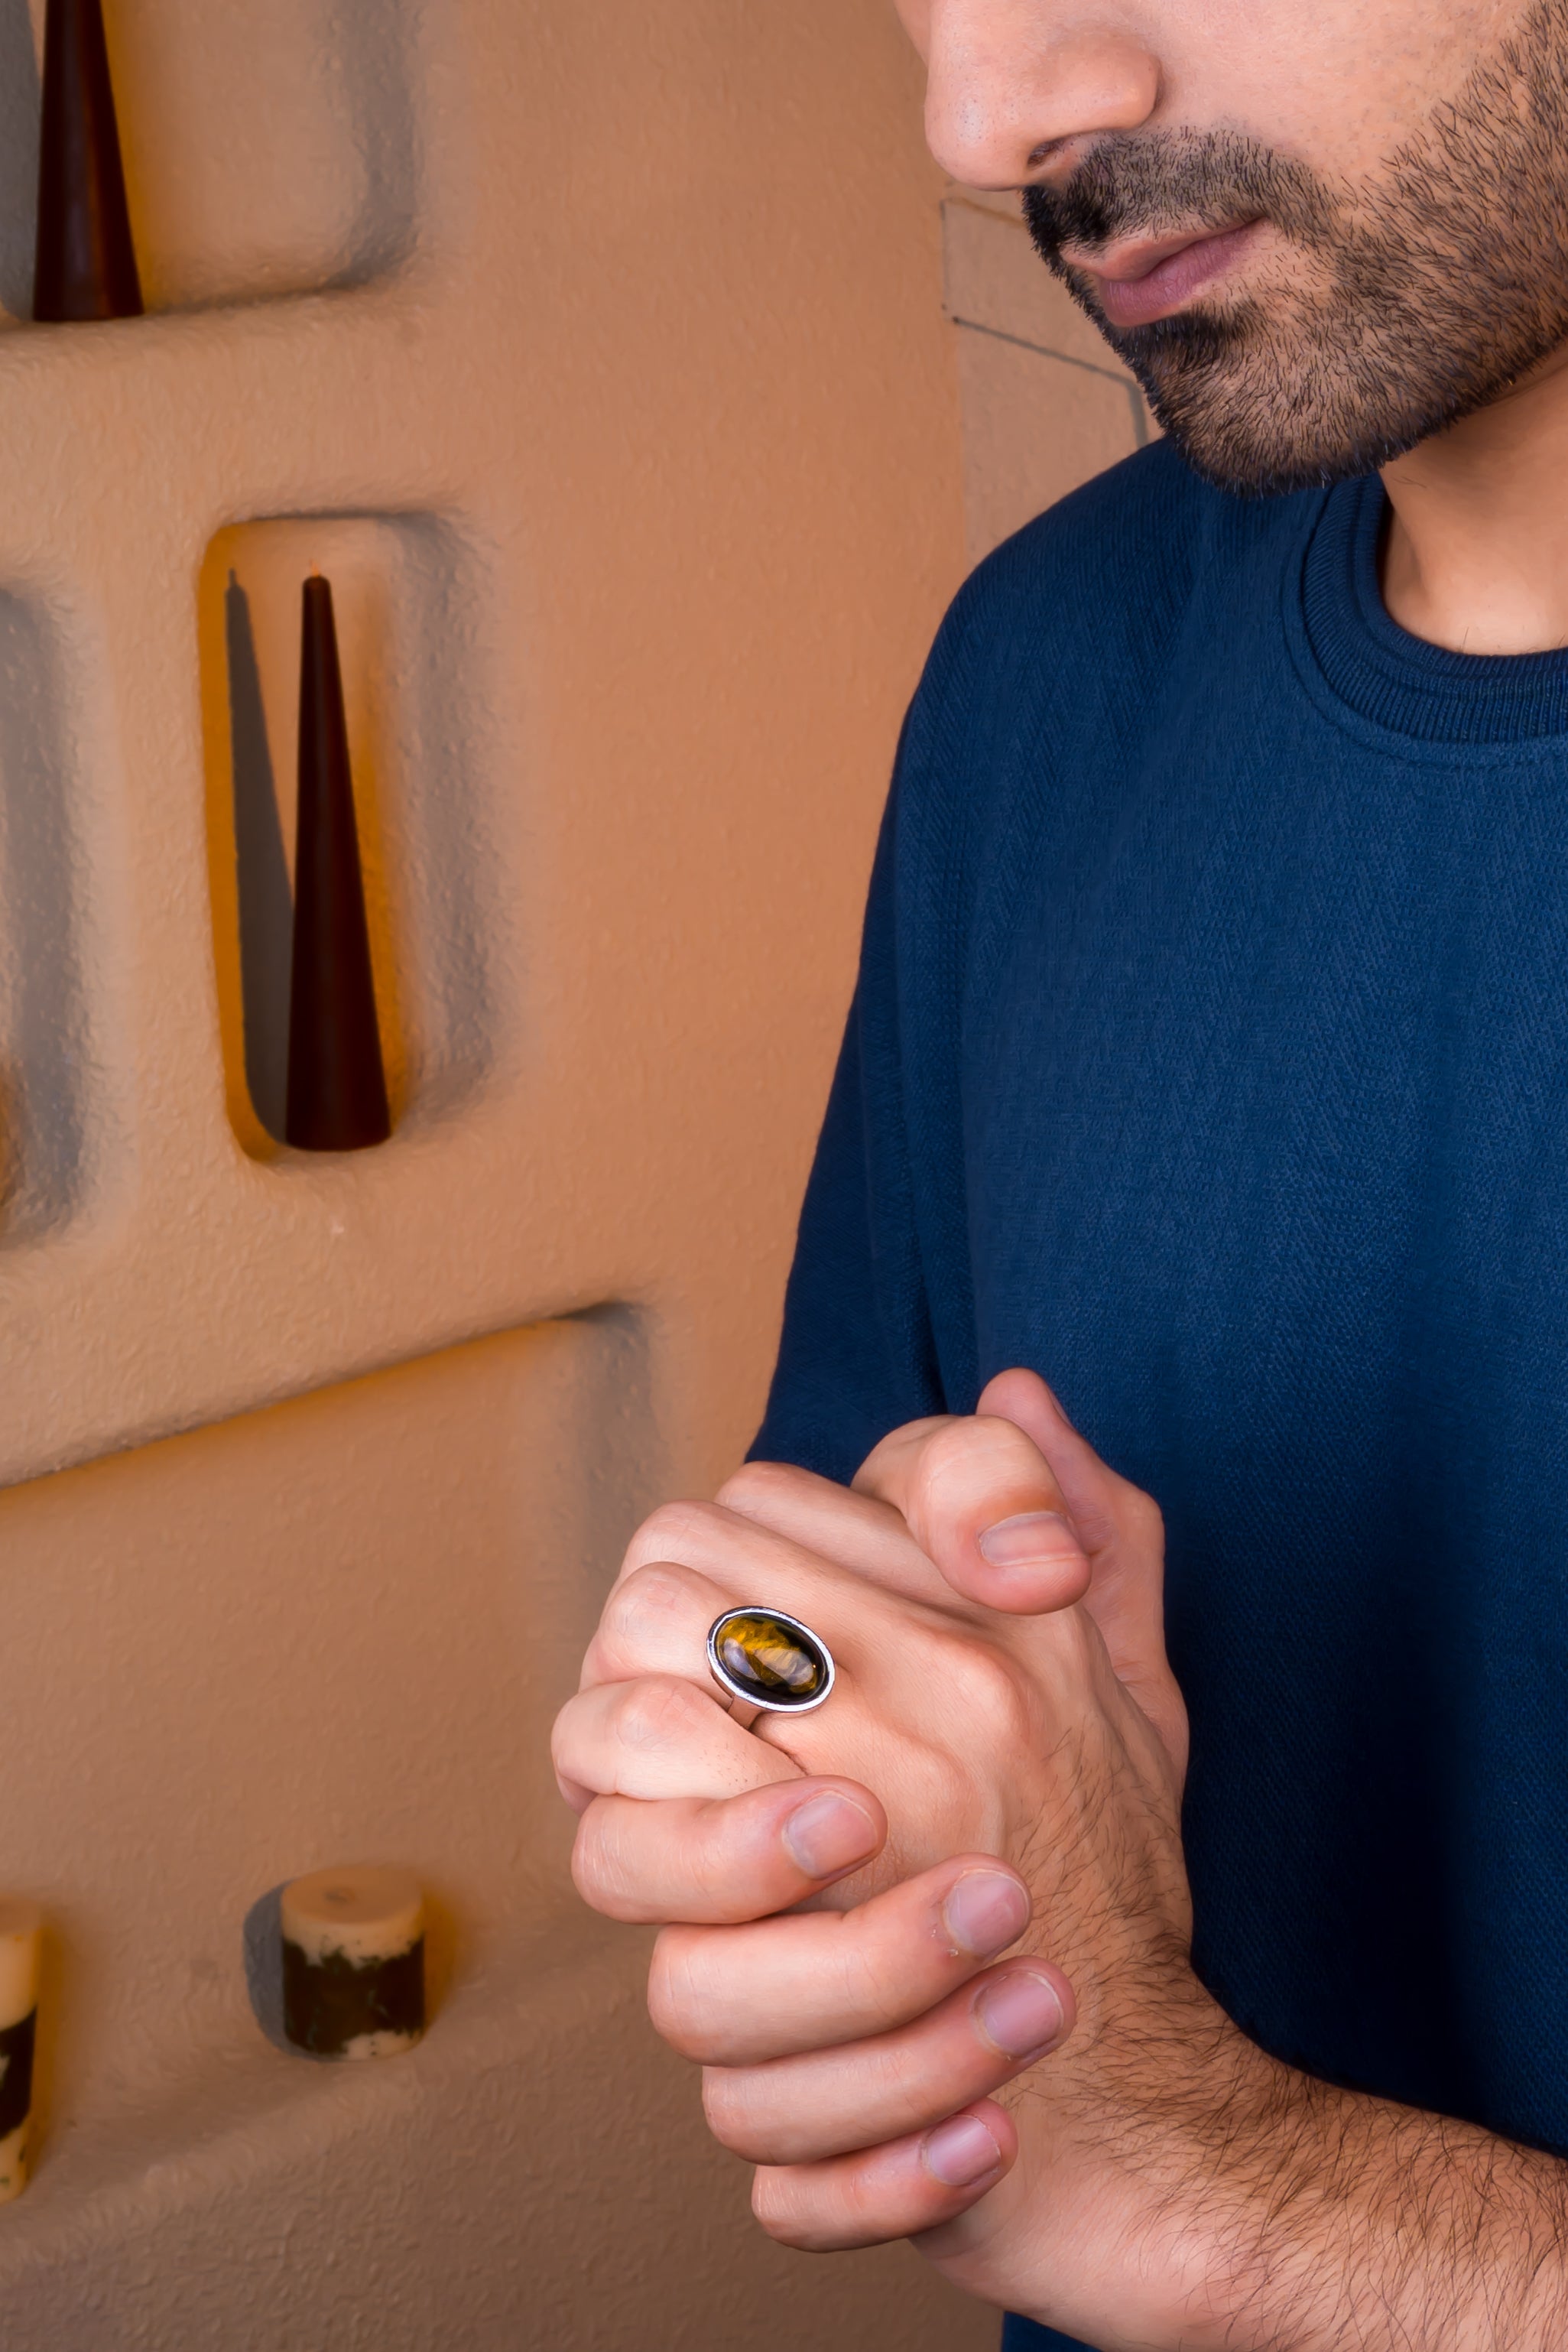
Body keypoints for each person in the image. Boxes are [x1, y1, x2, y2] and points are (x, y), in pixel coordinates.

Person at [552, 0, 1568, 2341]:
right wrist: (813, 1767)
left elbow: (1155, 2167)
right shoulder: (1045, 659)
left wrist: (1231, 2204)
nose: (981, 114)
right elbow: (862, 1653)